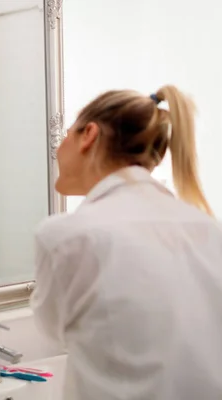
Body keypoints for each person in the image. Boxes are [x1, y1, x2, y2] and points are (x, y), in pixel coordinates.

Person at [31, 85, 222, 399]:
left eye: (66, 135)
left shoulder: (68, 236)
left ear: (89, 134)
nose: (58, 149)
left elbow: (52, 331)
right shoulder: (211, 231)